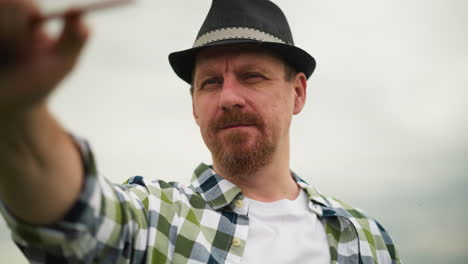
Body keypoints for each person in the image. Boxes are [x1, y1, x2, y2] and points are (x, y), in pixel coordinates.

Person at [0, 0, 401, 263]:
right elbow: (77, 223)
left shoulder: (366, 239)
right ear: (194, 104)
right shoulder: (157, 221)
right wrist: (17, 113)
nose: (228, 97)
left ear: (297, 93)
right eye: (210, 82)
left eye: (251, 76)